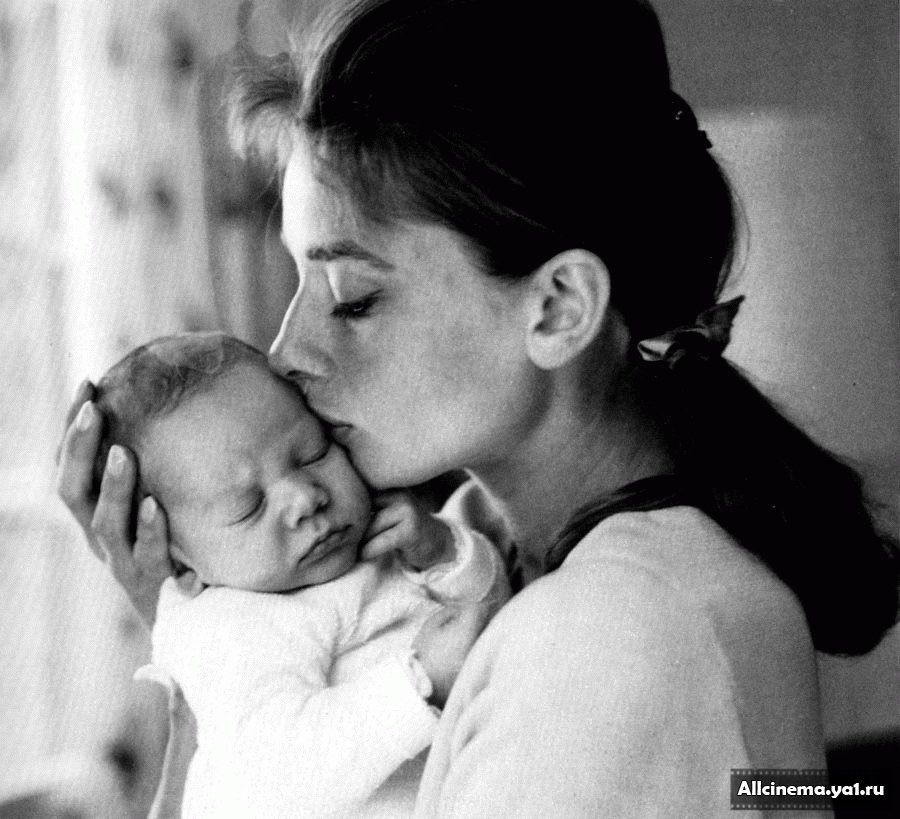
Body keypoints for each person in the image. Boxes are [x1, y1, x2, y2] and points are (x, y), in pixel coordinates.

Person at [57, 0, 899, 815]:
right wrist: (214, 624)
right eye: (298, 280)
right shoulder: (471, 543)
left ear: (558, 307)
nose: (285, 354)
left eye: (352, 297)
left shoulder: (601, 633)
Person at [92, 332, 508, 818]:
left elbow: (493, 619)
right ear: (180, 559)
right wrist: (419, 684)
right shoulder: (228, 628)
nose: (305, 498)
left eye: (313, 453)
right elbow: (282, 780)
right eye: (249, 506)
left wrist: (443, 552)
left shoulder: (373, 541)